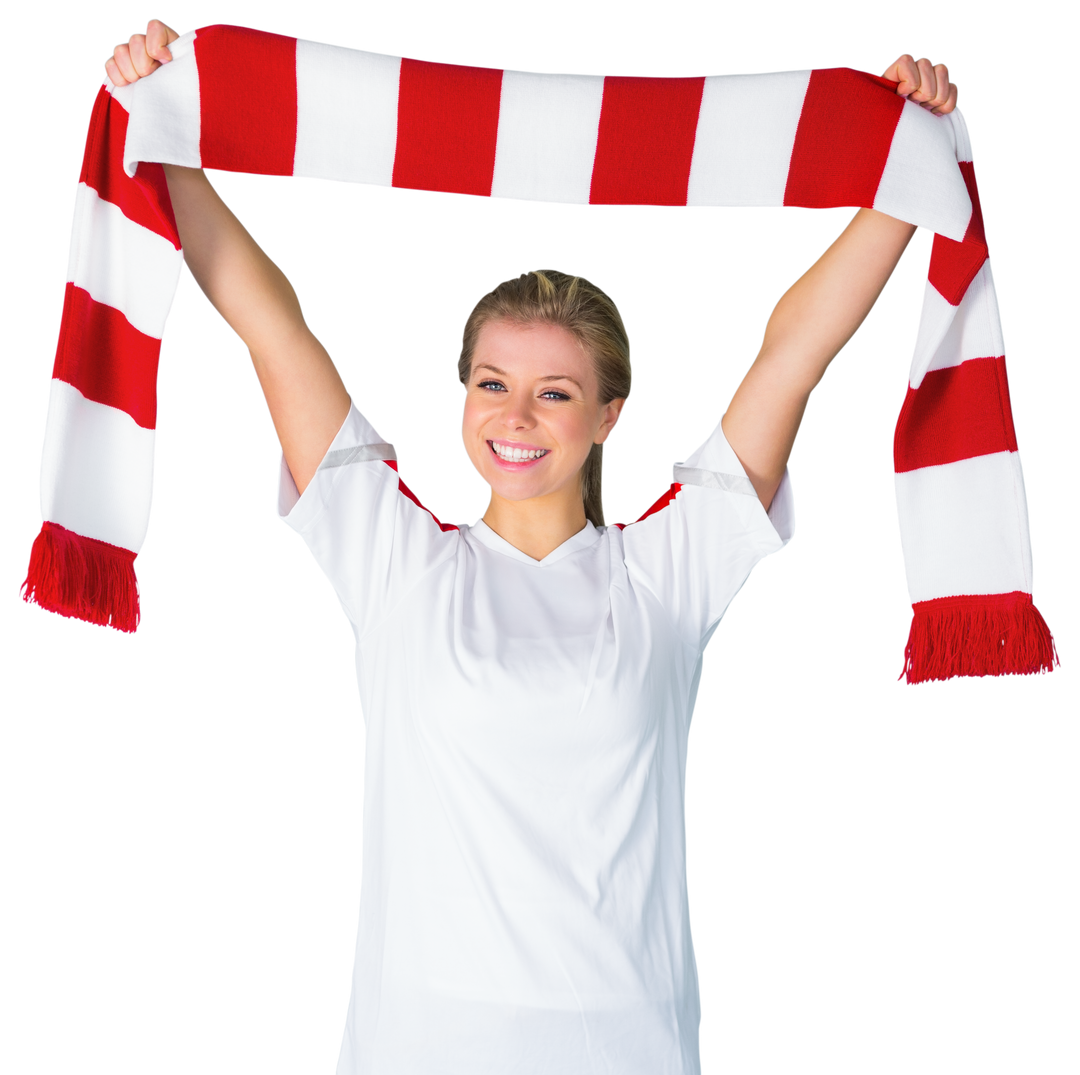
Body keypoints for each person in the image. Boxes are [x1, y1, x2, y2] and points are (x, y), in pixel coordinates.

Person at [105, 19, 958, 1074]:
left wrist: (900, 169)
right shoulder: (391, 552)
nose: (517, 416)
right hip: (416, 1041)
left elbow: (795, 350)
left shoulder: (669, 567)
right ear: (462, 397)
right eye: (493, 384)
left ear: (609, 414)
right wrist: (166, 126)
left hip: (631, 1042)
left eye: (555, 391)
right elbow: (269, 319)